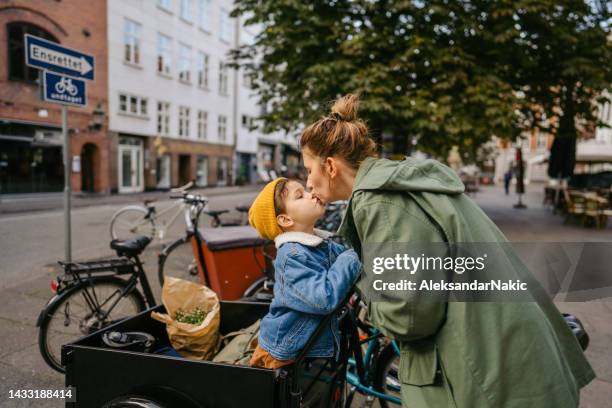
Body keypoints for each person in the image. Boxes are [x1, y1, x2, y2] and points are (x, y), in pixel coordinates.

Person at [300, 94, 594, 407]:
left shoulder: (379, 203)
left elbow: (408, 317)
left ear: (330, 166)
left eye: (308, 170)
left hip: (491, 382)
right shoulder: (407, 184)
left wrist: (363, 289)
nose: (307, 182)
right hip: (517, 362)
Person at [247, 177, 361, 369]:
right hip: (285, 356)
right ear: (285, 219)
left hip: (304, 350)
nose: (311, 194)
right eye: (300, 196)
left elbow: (347, 259)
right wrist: (353, 257)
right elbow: (323, 299)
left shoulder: (318, 244)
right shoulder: (291, 256)